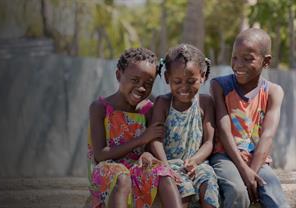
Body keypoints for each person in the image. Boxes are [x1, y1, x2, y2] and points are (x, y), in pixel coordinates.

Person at [88, 48, 182, 208]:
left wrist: (148, 153)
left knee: (165, 175)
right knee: (122, 177)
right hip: (106, 169)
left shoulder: (149, 109)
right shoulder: (100, 108)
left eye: (148, 83)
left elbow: (151, 145)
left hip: (137, 166)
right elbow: (100, 155)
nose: (141, 88)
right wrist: (142, 139)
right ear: (119, 75)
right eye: (135, 80)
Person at [209, 28, 289, 208]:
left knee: (274, 194)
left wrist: (251, 172)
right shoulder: (220, 85)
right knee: (237, 191)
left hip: (257, 160)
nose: (238, 64)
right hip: (225, 156)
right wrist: (244, 171)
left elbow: (267, 135)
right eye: (235, 57)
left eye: (248, 58)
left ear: (266, 61)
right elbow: (223, 130)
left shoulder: (273, 92)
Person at [149, 44, 219, 208]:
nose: (184, 87)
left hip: (197, 163)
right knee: (183, 189)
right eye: (177, 81)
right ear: (167, 78)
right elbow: (155, 140)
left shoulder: (205, 103)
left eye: (191, 81)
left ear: (202, 76)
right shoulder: (163, 103)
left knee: (209, 183)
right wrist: (165, 166)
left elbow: (209, 141)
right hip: (169, 163)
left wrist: (194, 161)